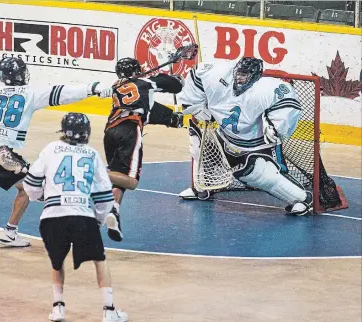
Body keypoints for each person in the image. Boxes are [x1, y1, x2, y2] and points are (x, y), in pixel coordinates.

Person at [0, 57, 109, 247]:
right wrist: (93, 88)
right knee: (27, 188)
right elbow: (63, 93)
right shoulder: (30, 93)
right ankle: (10, 232)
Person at [23, 112, 128, 322]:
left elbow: (31, 184)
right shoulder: (92, 154)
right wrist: (98, 220)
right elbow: (104, 195)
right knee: (100, 260)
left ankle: (58, 308)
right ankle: (109, 311)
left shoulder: (50, 149)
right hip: (82, 215)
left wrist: (41, 197)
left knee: (57, 259)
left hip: (52, 216)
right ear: (87, 133)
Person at [178, 57, 312, 216]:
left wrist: (276, 126)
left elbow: (289, 103)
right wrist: (197, 106)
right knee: (197, 143)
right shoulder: (217, 74)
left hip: (253, 145)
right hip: (224, 136)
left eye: (245, 75)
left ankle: (303, 198)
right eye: (239, 73)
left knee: (258, 175)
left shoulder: (267, 88)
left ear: (255, 76)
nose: (240, 78)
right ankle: (202, 187)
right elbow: (196, 75)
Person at [103, 57, 185, 242]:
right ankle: (90, 170)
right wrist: (175, 78)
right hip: (129, 130)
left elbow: (146, 107)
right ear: (136, 70)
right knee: (131, 181)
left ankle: (114, 210)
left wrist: (171, 118)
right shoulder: (145, 82)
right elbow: (175, 86)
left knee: (120, 175)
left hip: (110, 131)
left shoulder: (117, 86)